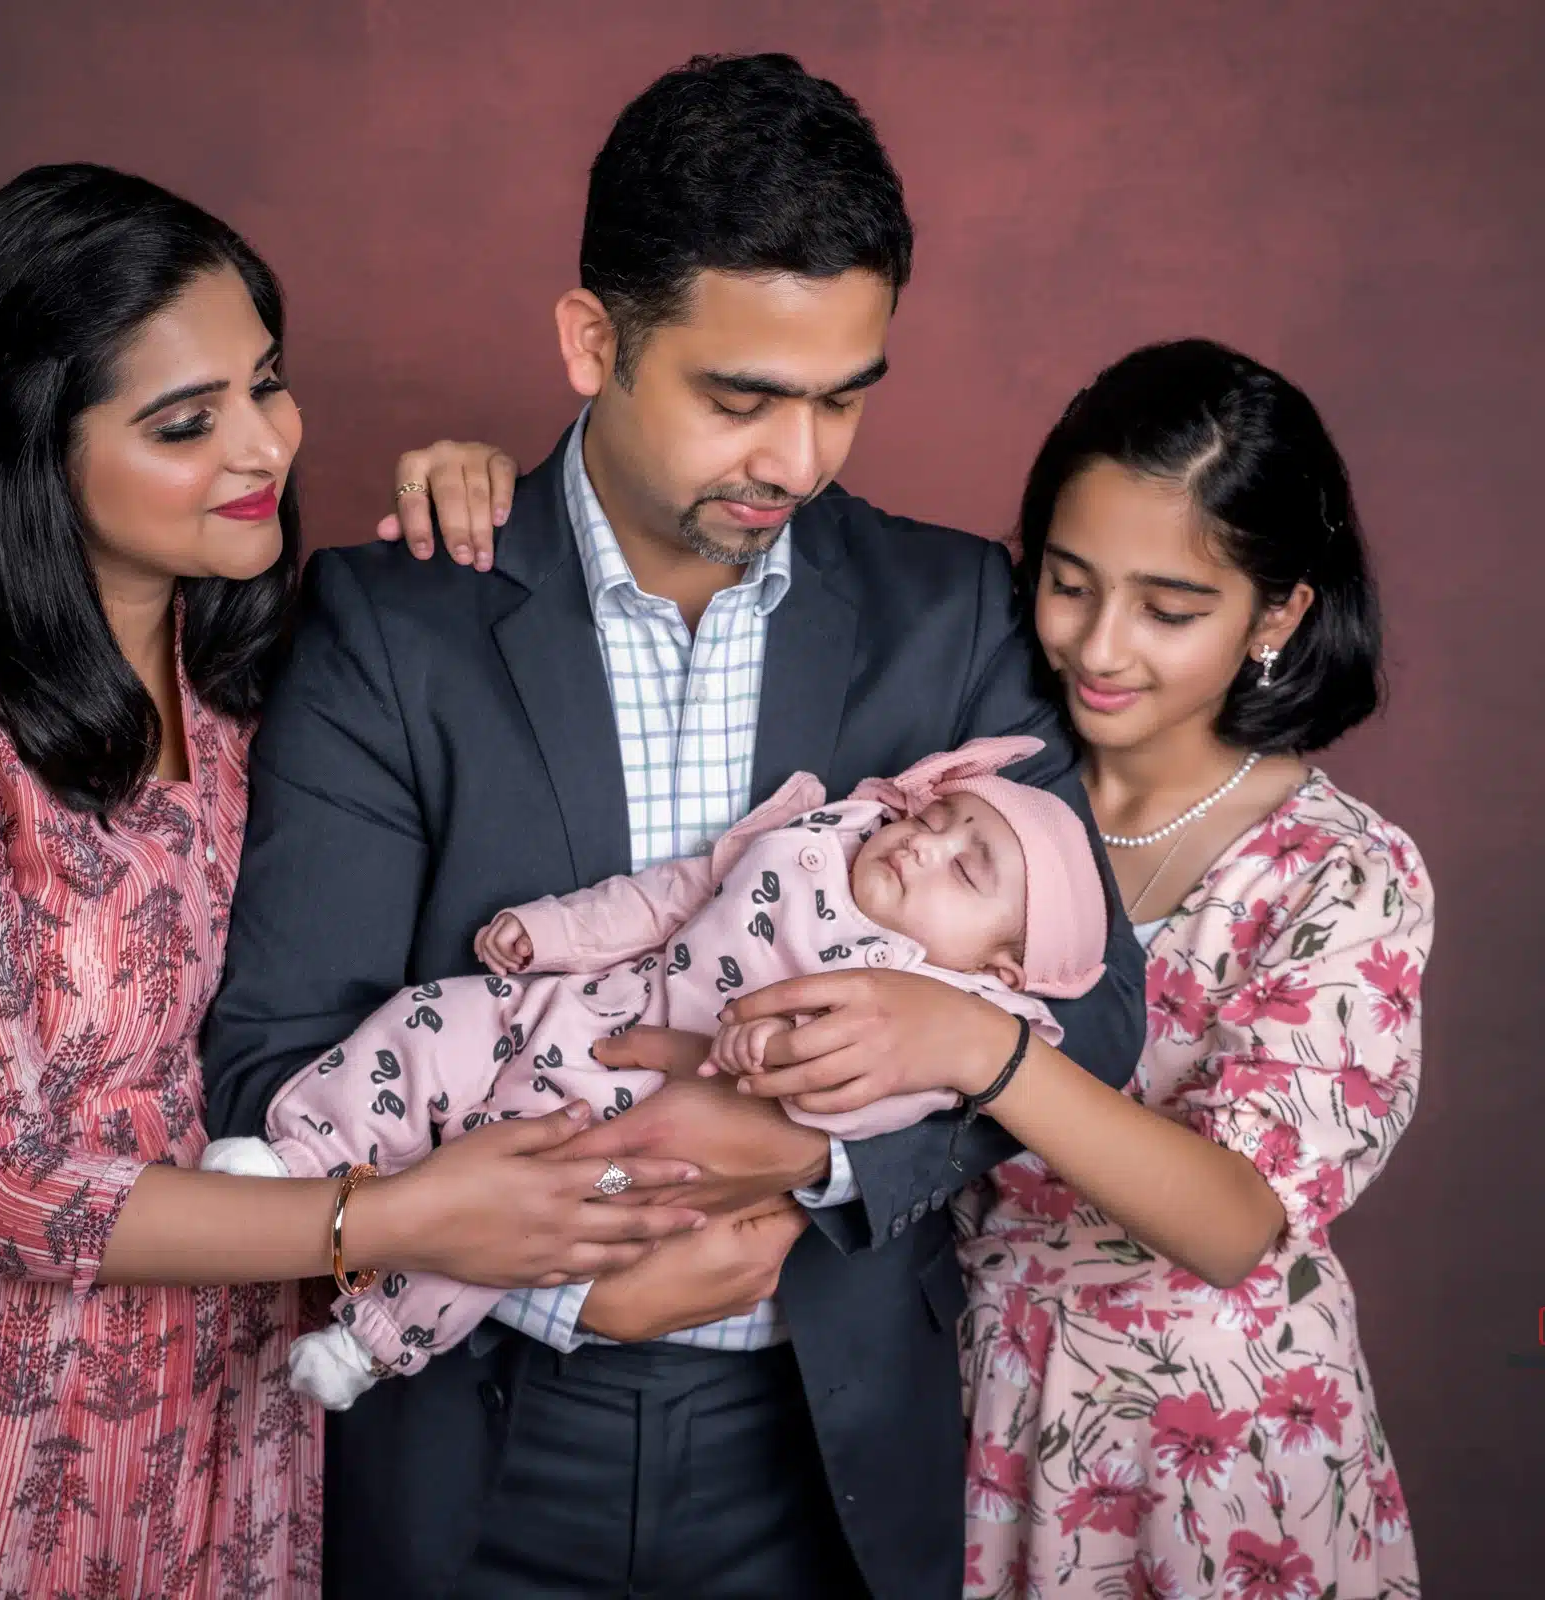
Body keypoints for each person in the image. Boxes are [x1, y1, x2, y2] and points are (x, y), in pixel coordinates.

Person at [0, 164, 702, 1600]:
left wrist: (487, 503)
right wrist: (394, 1220)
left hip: (204, 1375)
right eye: (186, 422)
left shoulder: (257, 668)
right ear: (26, 446)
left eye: (269, 382)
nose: (264, 443)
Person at [200, 53, 1147, 1600]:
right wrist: (578, 1275)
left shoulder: (954, 616)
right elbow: (273, 1062)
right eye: (742, 397)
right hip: (473, 1435)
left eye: (845, 398)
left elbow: (1094, 1006)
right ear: (593, 339)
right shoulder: (397, 624)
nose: (800, 461)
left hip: (821, 1450)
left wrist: (809, 1168)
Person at [402, 338, 1429, 1596]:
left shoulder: (1338, 873)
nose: (1101, 649)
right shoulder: (959, 780)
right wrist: (503, 493)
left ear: (1280, 614)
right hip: (969, 1420)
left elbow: (1236, 1224)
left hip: (1210, 1456)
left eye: (1170, 610)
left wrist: (972, 1044)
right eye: (1067, 583)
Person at [203, 735, 1109, 1410]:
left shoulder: (938, 1012)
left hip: (637, 1129)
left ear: (999, 969)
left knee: (513, 1213)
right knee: (427, 1019)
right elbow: (676, 894)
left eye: (966, 870)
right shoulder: (819, 838)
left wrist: (775, 1068)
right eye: (937, 820)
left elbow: (868, 1109)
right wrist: (554, 931)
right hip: (588, 1005)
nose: (924, 846)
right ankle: (307, 1153)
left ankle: (373, 1342)